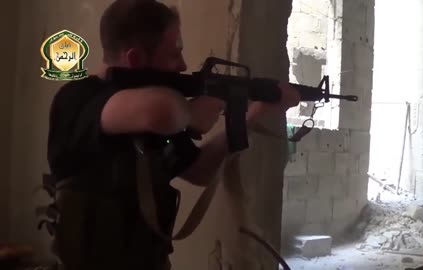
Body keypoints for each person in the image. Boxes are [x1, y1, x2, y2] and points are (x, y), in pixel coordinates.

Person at [45, 1, 300, 270]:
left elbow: (199, 170)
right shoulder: (78, 98)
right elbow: (163, 112)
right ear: (135, 59)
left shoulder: (155, 113)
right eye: (173, 54)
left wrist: (252, 114)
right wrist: (191, 113)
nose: (182, 65)